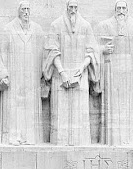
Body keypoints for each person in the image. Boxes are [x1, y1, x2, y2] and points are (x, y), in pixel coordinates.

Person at [42, 0, 99, 146]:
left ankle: (81, 142)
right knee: (61, 113)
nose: (73, 10)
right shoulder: (56, 25)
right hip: (60, 75)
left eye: (75, 7)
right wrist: (61, 72)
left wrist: (82, 68)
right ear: (66, 8)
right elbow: (52, 51)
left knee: (80, 112)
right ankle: (60, 143)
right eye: (70, 7)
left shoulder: (86, 26)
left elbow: (91, 51)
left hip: (80, 74)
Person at [96, 0, 133, 146]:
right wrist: (103, 50)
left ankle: (132, 139)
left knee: (131, 106)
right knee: (112, 106)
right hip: (111, 73)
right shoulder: (104, 26)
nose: (121, 11)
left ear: (128, 10)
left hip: (131, 73)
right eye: (119, 8)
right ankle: (113, 140)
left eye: (124, 8)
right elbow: (93, 47)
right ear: (115, 10)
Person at [0, 1, 44, 145]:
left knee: (29, 104)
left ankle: (30, 137)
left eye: (28, 9)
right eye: (23, 9)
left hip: (31, 76)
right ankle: (13, 137)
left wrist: (44, 75)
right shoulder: (8, 29)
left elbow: (43, 53)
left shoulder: (37, 30)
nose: (26, 12)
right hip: (14, 75)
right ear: (19, 11)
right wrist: (3, 75)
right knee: (14, 105)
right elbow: (0, 53)